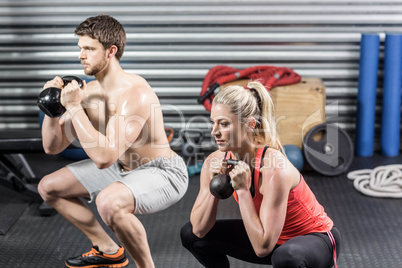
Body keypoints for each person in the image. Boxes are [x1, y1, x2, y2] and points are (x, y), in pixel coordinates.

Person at [38, 14, 188, 268]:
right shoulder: (89, 93)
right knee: (48, 187)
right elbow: (52, 147)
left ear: (111, 51)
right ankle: (108, 250)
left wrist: (74, 107)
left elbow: (104, 158)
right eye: (80, 48)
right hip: (122, 168)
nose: (80, 55)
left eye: (88, 49)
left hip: (163, 171)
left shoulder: (135, 93)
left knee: (108, 202)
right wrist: (52, 108)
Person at [180, 81, 341, 268]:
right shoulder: (214, 161)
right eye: (213, 123)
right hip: (272, 237)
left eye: (223, 124)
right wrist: (214, 187)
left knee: (286, 258)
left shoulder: (274, 169)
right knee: (190, 234)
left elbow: (262, 248)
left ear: (249, 124)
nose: (214, 131)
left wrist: (242, 190)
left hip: (314, 239)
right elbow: (199, 230)